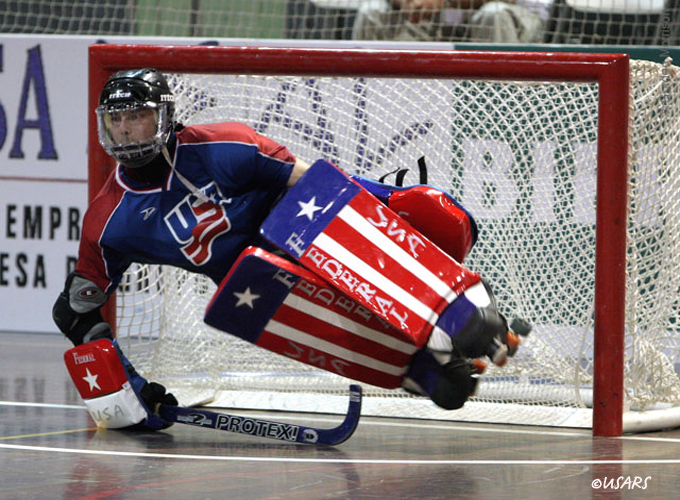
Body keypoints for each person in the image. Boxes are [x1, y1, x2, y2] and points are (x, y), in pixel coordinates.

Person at [54, 68, 517, 432]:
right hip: (256, 284)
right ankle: (423, 369)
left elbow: (323, 189)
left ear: (164, 117)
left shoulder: (225, 146)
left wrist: (393, 206)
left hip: (307, 230)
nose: (128, 131)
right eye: (117, 120)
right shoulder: (109, 221)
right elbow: (74, 310)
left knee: (410, 212)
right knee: (246, 287)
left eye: (138, 116)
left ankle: (460, 309)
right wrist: (126, 392)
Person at [353, 0, 548, 43]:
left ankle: (500, 99)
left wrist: (444, 1)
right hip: (434, 23)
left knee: (493, 14)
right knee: (373, 11)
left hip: (515, 19)